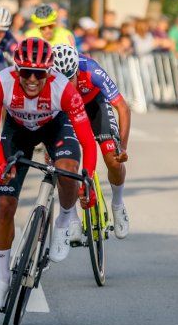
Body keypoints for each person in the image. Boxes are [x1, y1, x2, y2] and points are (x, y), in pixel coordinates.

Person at [0, 37, 97, 310]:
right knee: (5, 205)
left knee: (68, 171)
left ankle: (64, 222)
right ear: (16, 69)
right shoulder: (0, 84)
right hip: (17, 131)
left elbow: (88, 141)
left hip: (55, 126)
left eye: (39, 73)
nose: (32, 79)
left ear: (49, 71)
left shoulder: (64, 90)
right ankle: (1, 280)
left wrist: (89, 177)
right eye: (26, 72)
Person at [50, 45, 131, 238]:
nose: (68, 86)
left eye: (70, 79)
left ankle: (118, 204)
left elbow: (123, 107)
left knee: (113, 160)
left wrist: (123, 145)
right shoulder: (49, 78)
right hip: (65, 109)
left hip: (94, 106)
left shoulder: (91, 69)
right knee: (63, 165)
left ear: (77, 71)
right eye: (62, 81)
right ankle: (73, 219)